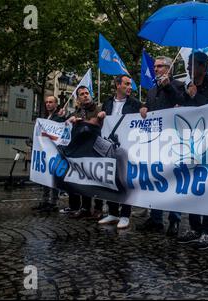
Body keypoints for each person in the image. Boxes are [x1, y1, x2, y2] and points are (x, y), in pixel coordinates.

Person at [176, 51, 208, 250]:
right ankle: (194, 227)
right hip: (189, 145)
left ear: (203, 67)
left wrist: (197, 96)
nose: (188, 68)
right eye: (187, 64)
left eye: (191, 64)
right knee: (192, 187)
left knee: (207, 187)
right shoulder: (187, 86)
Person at [136, 56, 184, 236]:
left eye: (159, 66)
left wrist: (167, 86)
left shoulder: (178, 85)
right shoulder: (151, 90)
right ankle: (156, 219)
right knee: (156, 179)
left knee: (173, 180)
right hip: (154, 142)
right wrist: (143, 109)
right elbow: (148, 108)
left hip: (172, 141)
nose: (155, 69)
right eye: (155, 67)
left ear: (169, 68)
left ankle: (175, 220)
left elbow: (181, 102)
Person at [97, 75, 142, 229]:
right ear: (117, 85)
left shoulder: (135, 104)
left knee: (124, 179)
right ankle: (113, 212)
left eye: (131, 84)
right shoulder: (107, 103)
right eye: (127, 84)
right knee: (110, 179)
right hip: (109, 147)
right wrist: (101, 115)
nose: (130, 87)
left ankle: (125, 215)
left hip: (126, 148)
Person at [66, 86, 106, 220]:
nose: (85, 95)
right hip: (82, 151)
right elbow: (66, 125)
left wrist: (101, 116)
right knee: (83, 180)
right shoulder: (77, 111)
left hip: (96, 150)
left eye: (87, 93)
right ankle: (85, 208)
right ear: (78, 99)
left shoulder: (99, 108)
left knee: (97, 180)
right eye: (82, 94)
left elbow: (97, 122)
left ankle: (99, 208)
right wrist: (70, 120)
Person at [31, 96, 65, 213]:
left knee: (54, 177)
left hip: (54, 152)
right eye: (46, 102)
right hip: (45, 152)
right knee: (44, 177)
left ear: (56, 104)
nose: (48, 104)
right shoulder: (46, 117)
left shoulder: (59, 117)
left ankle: (53, 202)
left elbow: (60, 129)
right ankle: (45, 201)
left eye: (51, 102)